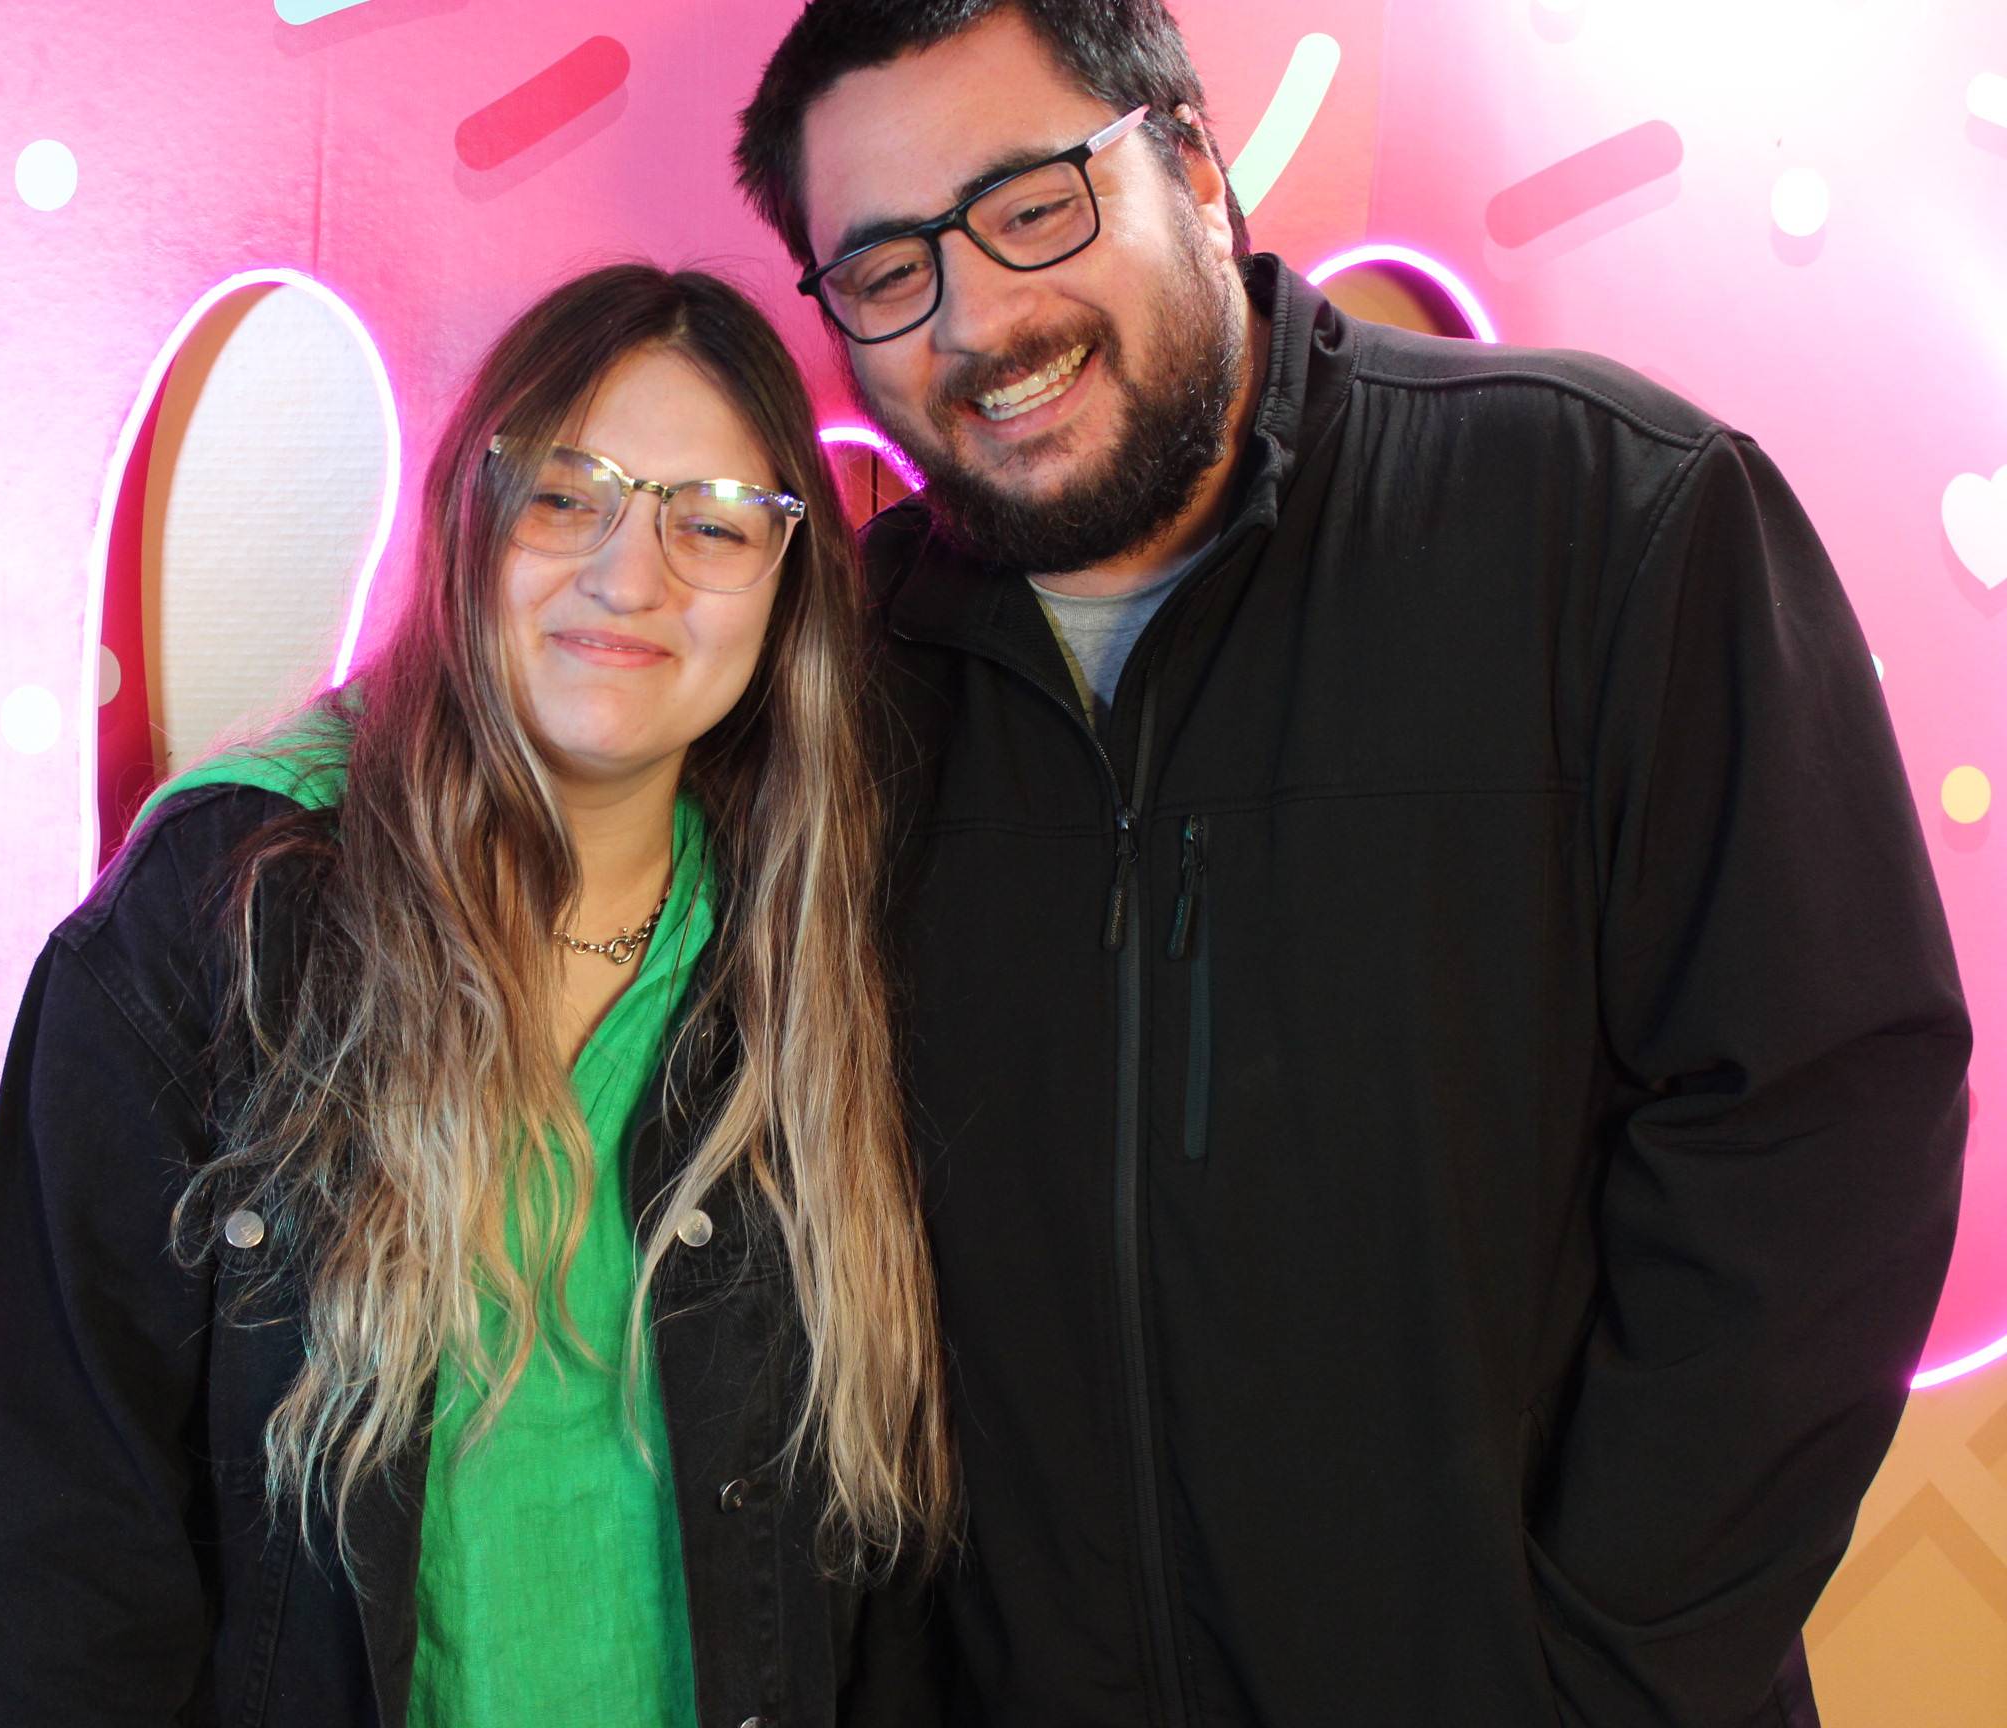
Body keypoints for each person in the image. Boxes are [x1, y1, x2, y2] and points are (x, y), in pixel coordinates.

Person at [732, 4, 1970, 1725]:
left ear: (1190, 163)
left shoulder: (1610, 516)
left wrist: (1590, 1681)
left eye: (1031, 207)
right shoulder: (847, 688)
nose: (979, 317)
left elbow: (1819, 1133)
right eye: (886, 269)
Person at [0, 263, 955, 1727]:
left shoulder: (811, 936)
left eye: (713, 522)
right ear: (468, 519)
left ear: (786, 585)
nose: (630, 576)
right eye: (565, 496)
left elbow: (881, 1563)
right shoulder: (217, 920)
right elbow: (67, 1549)